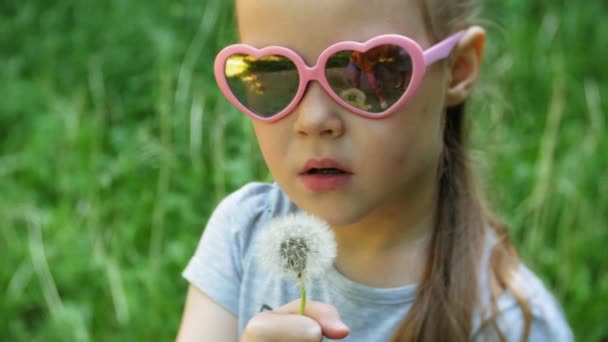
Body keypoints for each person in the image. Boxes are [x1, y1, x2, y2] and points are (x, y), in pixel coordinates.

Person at [177, 0, 574, 341]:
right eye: (270, 75)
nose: (313, 119)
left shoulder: (510, 324)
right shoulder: (242, 235)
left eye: (366, 74)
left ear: (457, 69)